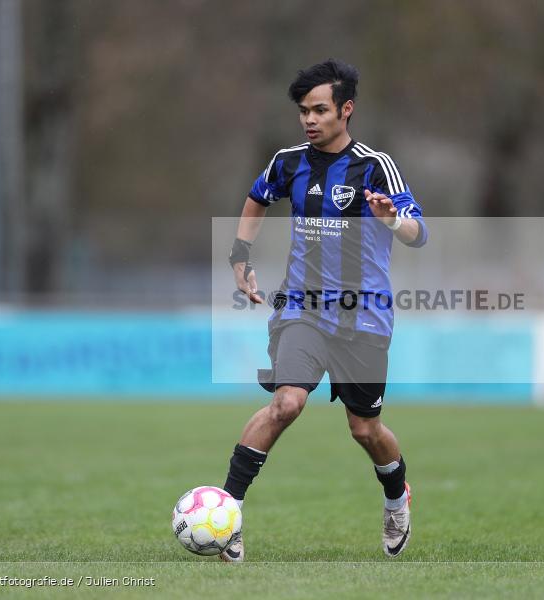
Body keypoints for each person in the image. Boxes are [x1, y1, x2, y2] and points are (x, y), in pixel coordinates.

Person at [220, 59, 428, 562]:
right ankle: (226, 515)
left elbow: (418, 233)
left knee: (365, 429)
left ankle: (396, 496)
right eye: (303, 111)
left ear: (346, 109)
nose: (309, 120)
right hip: (302, 309)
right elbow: (257, 199)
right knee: (286, 404)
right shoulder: (287, 162)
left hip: (364, 316)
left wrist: (392, 220)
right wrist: (241, 255)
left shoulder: (375, 166)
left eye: (319, 110)